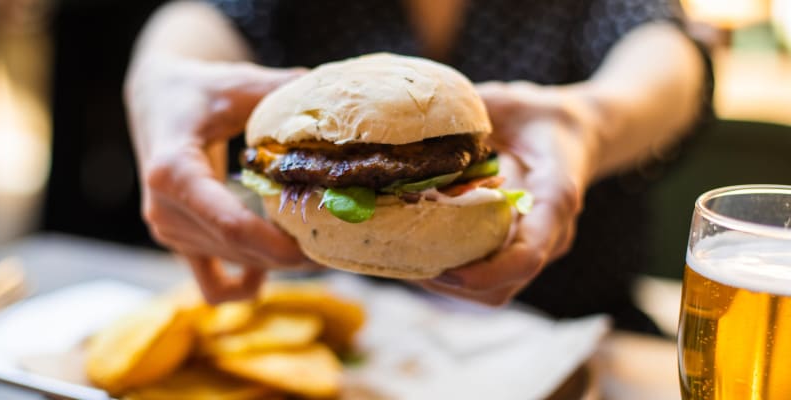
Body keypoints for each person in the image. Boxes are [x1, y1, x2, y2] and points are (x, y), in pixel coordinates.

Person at [125, 0, 709, 331]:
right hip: (351, 324)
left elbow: (664, 47)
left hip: (571, 323)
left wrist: (595, 118)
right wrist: (160, 78)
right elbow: (207, 16)